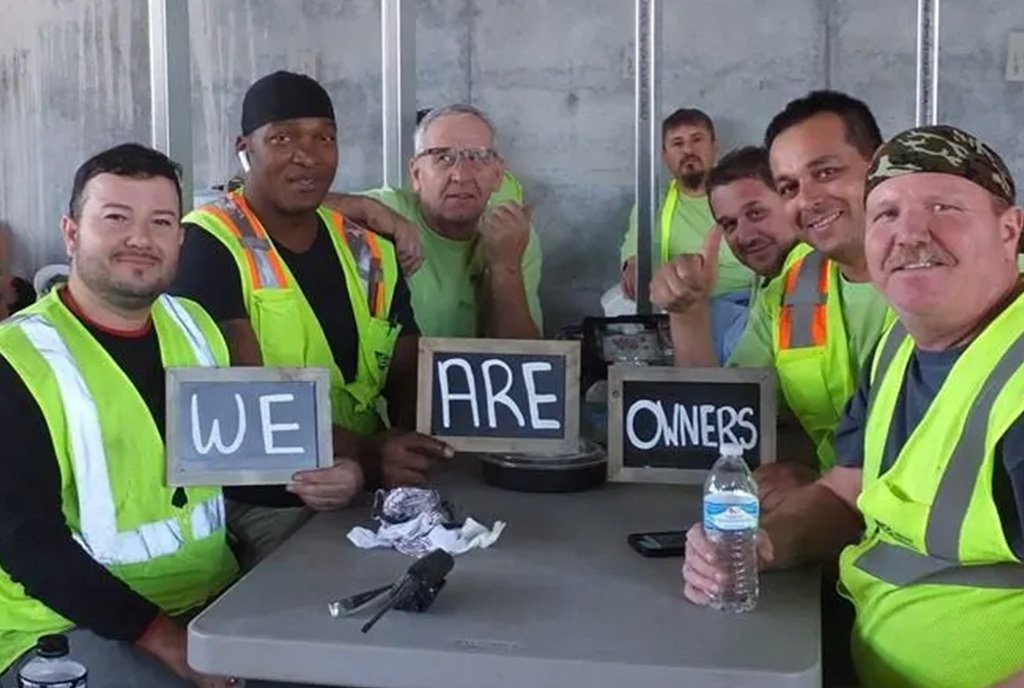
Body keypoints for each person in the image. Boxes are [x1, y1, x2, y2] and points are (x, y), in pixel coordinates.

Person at [683, 125, 1024, 688]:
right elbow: (847, 492)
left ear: (1009, 230)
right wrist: (765, 543)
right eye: (886, 214)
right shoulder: (900, 344)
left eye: (943, 207)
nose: (910, 234)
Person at [174, 71, 449, 567]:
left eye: (324, 137)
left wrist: (406, 444)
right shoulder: (208, 244)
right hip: (272, 495)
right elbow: (250, 403)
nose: (309, 155)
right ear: (245, 149)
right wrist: (370, 455)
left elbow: (408, 361)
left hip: (366, 480)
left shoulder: (366, 248)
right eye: (282, 138)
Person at [0, 144, 238, 686]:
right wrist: (163, 637)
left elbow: (231, 467)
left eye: (160, 221)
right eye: (115, 218)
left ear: (180, 238)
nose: (140, 238)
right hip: (64, 624)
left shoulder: (197, 328)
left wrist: (324, 477)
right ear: (71, 233)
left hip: (206, 601)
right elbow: (25, 540)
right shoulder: (15, 359)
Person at [654, 92, 894, 504]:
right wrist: (689, 313)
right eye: (790, 187)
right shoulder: (791, 293)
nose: (808, 198)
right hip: (842, 529)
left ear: (881, 166)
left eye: (827, 172)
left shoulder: (953, 276)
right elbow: (724, 424)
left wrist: (830, 483)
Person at [360, 103, 544, 339]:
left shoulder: (511, 231)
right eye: (443, 157)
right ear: (416, 174)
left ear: (497, 175)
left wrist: (505, 267)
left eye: (477, 157)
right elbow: (304, 209)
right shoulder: (388, 211)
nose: (461, 176)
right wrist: (365, 208)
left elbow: (524, 360)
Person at [620, 108, 756, 361]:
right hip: (686, 304)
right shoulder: (653, 203)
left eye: (697, 139)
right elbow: (634, 253)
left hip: (750, 301)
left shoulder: (739, 195)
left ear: (715, 146)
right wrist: (634, 264)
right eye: (677, 143)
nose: (688, 151)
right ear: (665, 156)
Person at [651, 146, 799, 363]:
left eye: (756, 213)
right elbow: (730, 393)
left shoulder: (821, 278)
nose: (745, 235)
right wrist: (689, 312)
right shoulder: (771, 290)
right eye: (730, 224)